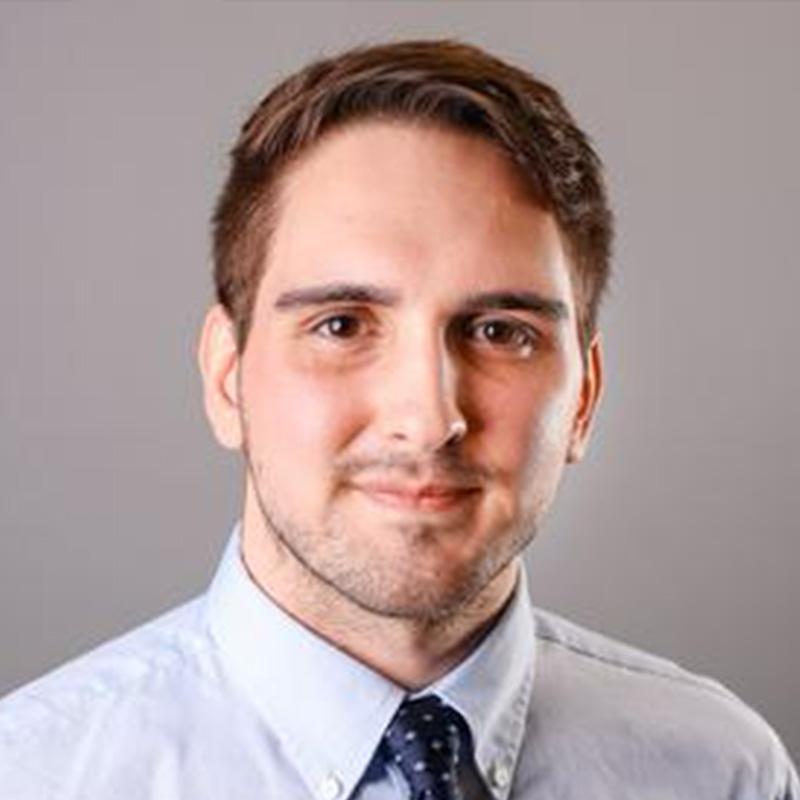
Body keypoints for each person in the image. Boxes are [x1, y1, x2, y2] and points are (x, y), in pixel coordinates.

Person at [0, 39, 796, 800]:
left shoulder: (723, 772)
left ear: (582, 398)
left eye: (500, 332)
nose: (428, 418)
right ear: (227, 377)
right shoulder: (36, 777)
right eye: (342, 325)